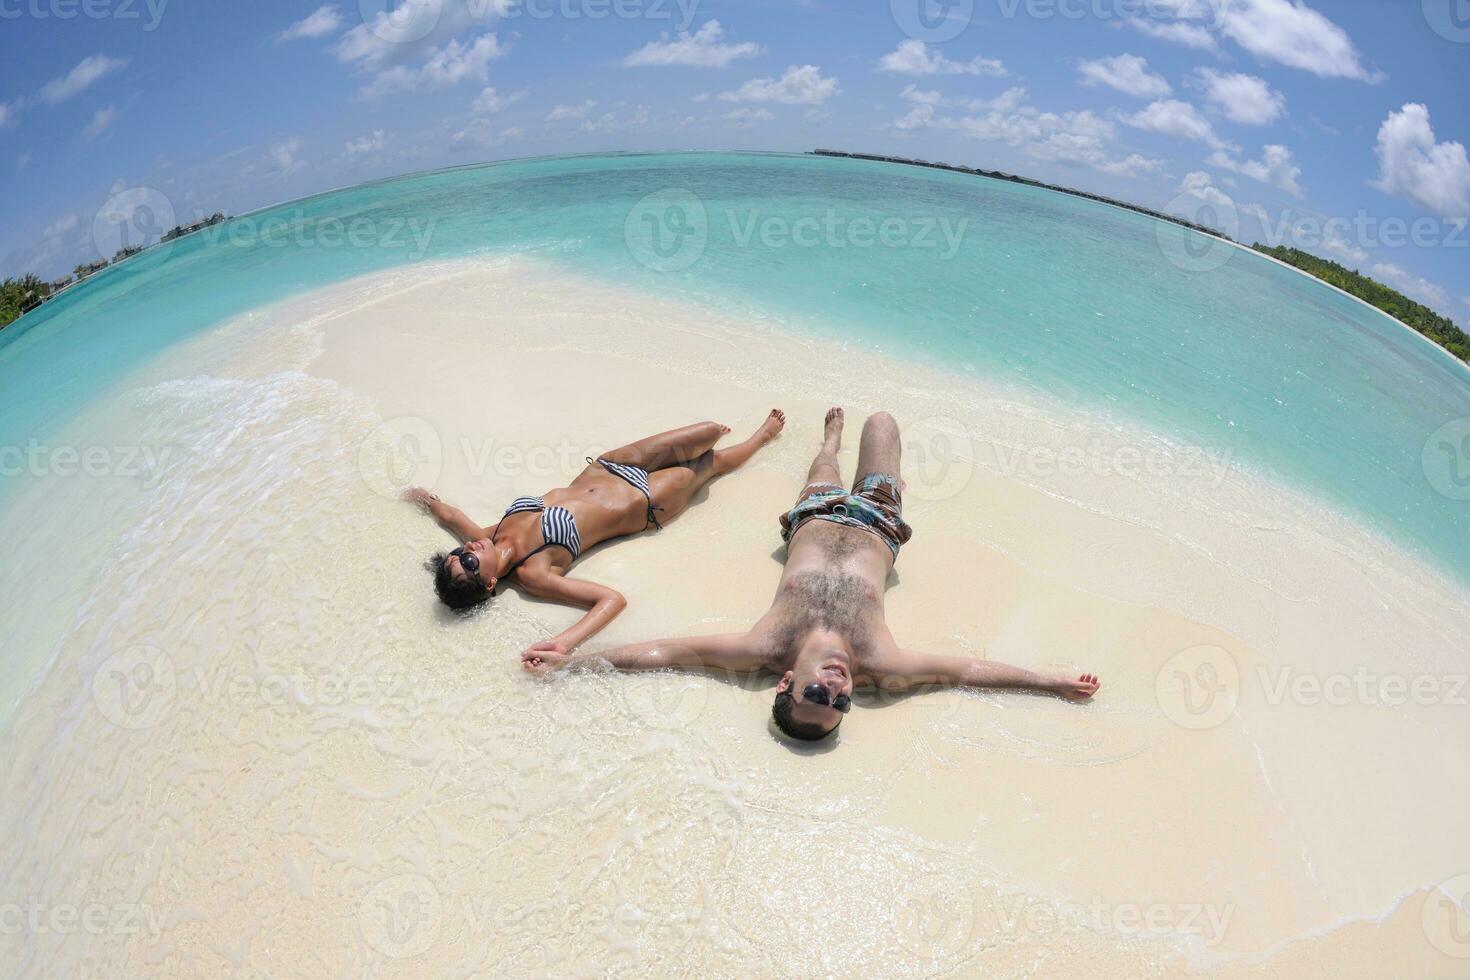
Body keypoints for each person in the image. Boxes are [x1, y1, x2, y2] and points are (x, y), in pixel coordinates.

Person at [522, 408, 1099, 741]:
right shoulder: (880, 663)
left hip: (813, 516)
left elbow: (664, 653)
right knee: (883, 423)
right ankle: (849, 438)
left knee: (824, 464)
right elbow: (967, 670)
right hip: (880, 520)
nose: (838, 688)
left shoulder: (765, 646)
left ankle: (828, 441)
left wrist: (572, 663)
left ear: (784, 684)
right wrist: (1052, 683)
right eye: (840, 703)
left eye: (818, 694)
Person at [406, 411, 785, 656]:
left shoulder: (492, 535)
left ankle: (726, 437)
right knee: (709, 462)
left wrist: (423, 499)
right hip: (647, 501)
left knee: (707, 430)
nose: (468, 547)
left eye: (458, 553)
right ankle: (760, 438)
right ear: (490, 583)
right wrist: (565, 642)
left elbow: (454, 519)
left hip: (609, 466)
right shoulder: (532, 574)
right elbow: (611, 599)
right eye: (468, 560)